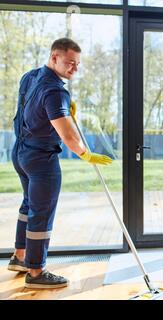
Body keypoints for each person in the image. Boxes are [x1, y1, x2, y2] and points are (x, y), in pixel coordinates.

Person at [8, 38, 113, 289]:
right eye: (69, 63)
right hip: (42, 160)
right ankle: (36, 272)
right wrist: (86, 154)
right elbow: (68, 136)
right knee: (41, 214)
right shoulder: (56, 91)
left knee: (29, 205)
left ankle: (20, 257)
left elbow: (33, 110)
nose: (74, 68)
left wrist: (63, 109)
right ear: (54, 57)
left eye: (77, 64)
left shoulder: (30, 77)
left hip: (21, 153)